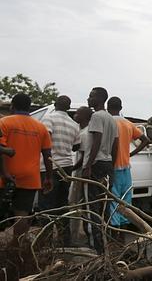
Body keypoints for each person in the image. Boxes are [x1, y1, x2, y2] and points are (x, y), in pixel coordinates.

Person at [0, 93, 53, 249]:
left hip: (5, 176)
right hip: (30, 177)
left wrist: (4, 173)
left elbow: (2, 150)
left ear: (12, 106)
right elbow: (48, 154)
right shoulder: (40, 127)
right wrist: (48, 177)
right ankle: (17, 248)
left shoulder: (4, 122)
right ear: (29, 107)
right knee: (22, 213)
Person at [38, 95, 81, 246]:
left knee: (45, 206)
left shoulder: (48, 119)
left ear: (55, 104)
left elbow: (45, 142)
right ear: (68, 108)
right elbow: (76, 146)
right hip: (67, 167)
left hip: (49, 167)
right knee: (62, 204)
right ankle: (65, 241)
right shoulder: (74, 124)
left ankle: (46, 243)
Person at [83, 87, 119, 254]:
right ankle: (105, 245)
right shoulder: (111, 119)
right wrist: (112, 163)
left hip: (96, 164)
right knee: (104, 206)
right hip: (107, 164)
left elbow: (96, 140)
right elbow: (115, 144)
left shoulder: (96, 116)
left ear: (99, 99)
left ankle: (96, 248)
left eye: (91, 96)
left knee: (93, 207)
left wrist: (88, 164)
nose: (88, 98)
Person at [107, 97, 150, 232]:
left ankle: (116, 235)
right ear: (120, 108)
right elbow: (145, 140)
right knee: (126, 202)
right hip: (126, 168)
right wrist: (131, 154)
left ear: (108, 107)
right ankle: (124, 233)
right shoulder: (128, 123)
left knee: (113, 201)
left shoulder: (108, 122)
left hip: (113, 168)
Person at [68, 106, 92, 242]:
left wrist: (71, 169)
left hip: (80, 172)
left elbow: (84, 157)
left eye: (77, 113)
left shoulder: (85, 133)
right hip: (79, 171)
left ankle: (74, 236)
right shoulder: (82, 131)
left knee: (76, 204)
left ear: (84, 116)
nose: (75, 115)